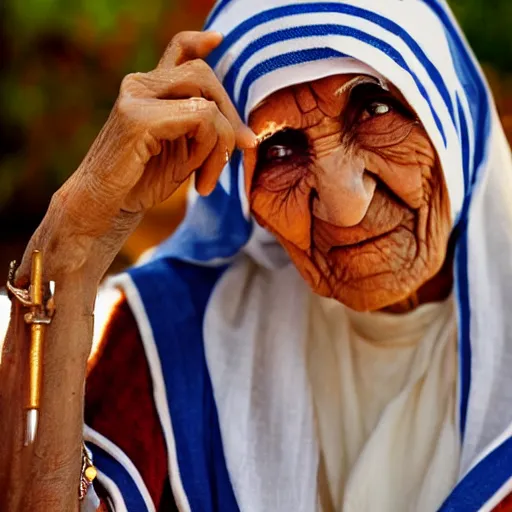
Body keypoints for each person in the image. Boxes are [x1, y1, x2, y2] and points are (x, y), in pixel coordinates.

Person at [1, 0, 512, 510]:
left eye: (374, 109)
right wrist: (69, 248)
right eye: (280, 150)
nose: (345, 205)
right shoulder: (173, 339)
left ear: (452, 120)